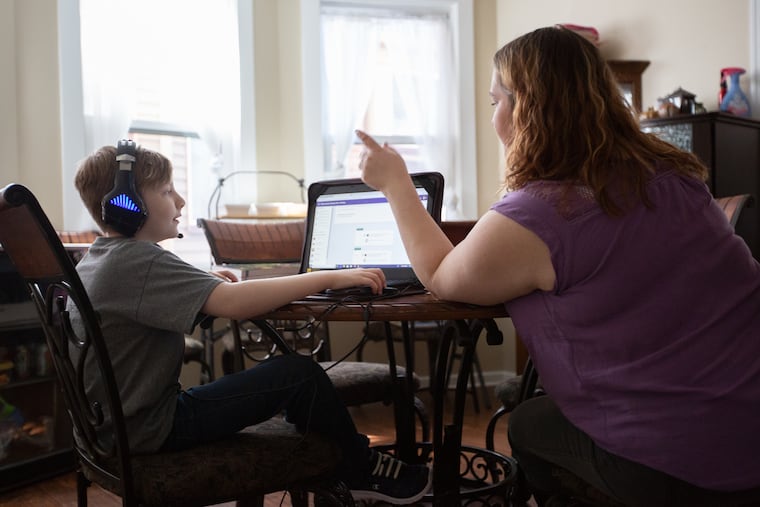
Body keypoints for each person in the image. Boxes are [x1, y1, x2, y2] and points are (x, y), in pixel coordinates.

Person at [356, 25, 760, 507]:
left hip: (678, 465)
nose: (493, 118)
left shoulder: (540, 213)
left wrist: (397, 185)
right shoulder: (681, 181)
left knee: (528, 423)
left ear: (523, 108)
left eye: (494, 102)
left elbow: (444, 278)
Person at [72, 143, 432, 504]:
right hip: (154, 428)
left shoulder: (96, 260)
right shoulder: (140, 260)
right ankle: (359, 468)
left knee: (291, 378)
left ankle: (333, 465)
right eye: (167, 191)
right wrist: (327, 278)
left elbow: (160, 296)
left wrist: (204, 283)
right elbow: (234, 303)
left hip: (110, 434)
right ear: (125, 204)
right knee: (298, 374)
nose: (179, 201)